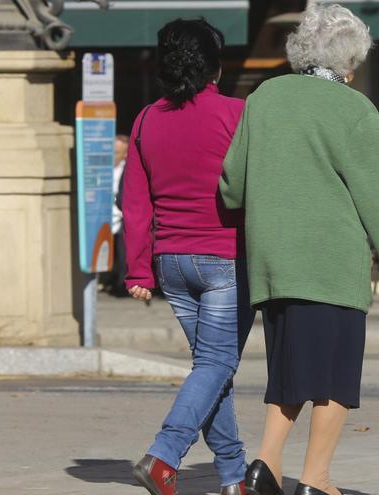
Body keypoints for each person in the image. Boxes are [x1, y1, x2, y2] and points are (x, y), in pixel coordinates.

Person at [220, 5, 379, 495]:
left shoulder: (264, 97)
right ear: (351, 61)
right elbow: (378, 208)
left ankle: (264, 466)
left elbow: (231, 187)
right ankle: (316, 481)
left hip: (272, 262)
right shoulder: (356, 111)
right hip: (329, 262)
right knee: (332, 378)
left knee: (288, 371)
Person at [123, 18, 253, 495]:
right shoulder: (237, 114)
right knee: (217, 365)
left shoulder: (145, 119)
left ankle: (234, 478)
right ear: (216, 67)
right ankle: (163, 455)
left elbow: (136, 201)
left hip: (170, 261)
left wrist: (138, 268)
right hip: (223, 258)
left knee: (211, 369)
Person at [101, 134, 129, 296]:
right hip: (103, 218)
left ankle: (121, 285)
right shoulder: (101, 169)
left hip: (122, 218)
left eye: (116, 152)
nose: (112, 156)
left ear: (125, 154)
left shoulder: (129, 170)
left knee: (123, 253)